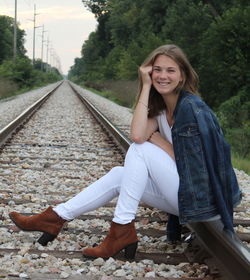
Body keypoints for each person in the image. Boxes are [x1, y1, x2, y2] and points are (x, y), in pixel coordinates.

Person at [9, 44, 242, 259]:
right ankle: (56, 218)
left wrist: (158, 140)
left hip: (205, 201)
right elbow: (139, 133)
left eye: (171, 70)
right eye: (157, 70)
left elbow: (193, 166)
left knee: (139, 151)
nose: (163, 76)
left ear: (183, 74)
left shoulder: (191, 109)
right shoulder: (162, 107)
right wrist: (146, 87)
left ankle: (121, 228)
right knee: (120, 174)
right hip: (187, 196)